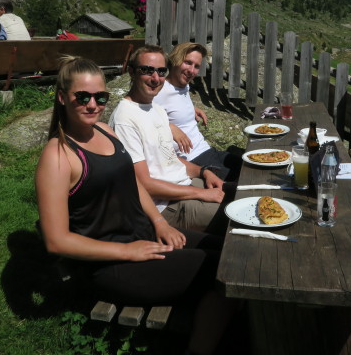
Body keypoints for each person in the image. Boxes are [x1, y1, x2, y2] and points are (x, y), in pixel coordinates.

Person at [36, 55, 236, 355]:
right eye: (83, 97)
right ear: (63, 97)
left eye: (100, 97)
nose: (93, 105)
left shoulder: (106, 131)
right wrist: (126, 251)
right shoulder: (58, 156)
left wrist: (160, 222)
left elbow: (134, 182)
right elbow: (56, 240)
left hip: (143, 233)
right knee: (227, 274)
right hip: (112, 263)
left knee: (233, 253)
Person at [109, 45, 232, 234]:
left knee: (240, 196)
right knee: (237, 217)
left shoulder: (156, 109)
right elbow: (144, 184)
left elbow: (170, 158)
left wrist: (205, 172)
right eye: (147, 70)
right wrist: (202, 193)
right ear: (132, 72)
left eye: (161, 71)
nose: (156, 78)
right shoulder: (124, 119)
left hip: (183, 185)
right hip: (166, 205)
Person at [154, 42, 242, 182]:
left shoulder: (184, 85)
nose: (192, 70)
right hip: (192, 159)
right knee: (243, 182)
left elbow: (175, 105)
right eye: (188, 63)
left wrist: (191, 109)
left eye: (196, 66)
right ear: (176, 60)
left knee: (250, 166)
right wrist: (168, 126)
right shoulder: (159, 90)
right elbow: (140, 115)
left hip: (207, 150)